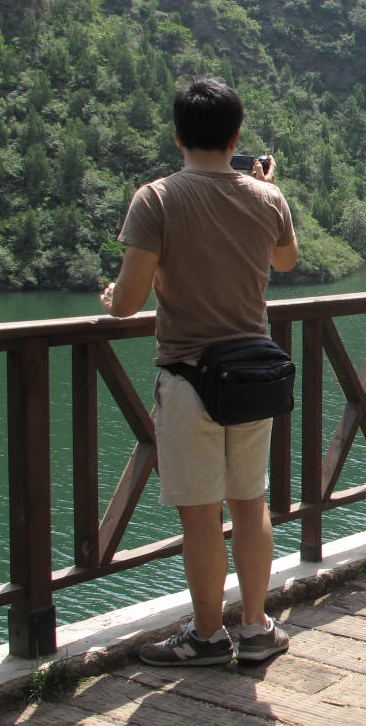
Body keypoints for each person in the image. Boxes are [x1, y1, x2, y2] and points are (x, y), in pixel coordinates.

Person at [102, 77, 298, 666]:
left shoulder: (156, 199)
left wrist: (111, 296)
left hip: (190, 378)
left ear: (177, 135)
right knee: (250, 504)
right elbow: (285, 261)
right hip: (253, 377)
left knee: (201, 519)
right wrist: (266, 188)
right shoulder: (268, 198)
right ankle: (258, 628)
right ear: (236, 137)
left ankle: (208, 636)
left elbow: (128, 302)